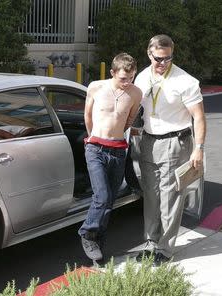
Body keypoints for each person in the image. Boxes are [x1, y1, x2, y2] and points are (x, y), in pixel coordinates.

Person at [134, 34, 206, 266]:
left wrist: (199, 149)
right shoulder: (142, 77)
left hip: (176, 142)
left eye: (168, 58)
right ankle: (150, 243)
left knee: (171, 198)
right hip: (148, 141)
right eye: (158, 59)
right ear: (149, 53)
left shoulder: (185, 81)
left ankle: (164, 249)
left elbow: (199, 118)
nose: (163, 63)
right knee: (151, 197)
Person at [79, 53, 142, 261]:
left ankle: (99, 243)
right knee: (102, 196)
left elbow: (128, 121)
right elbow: (87, 116)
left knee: (110, 201)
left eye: (131, 78)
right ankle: (87, 232)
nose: (127, 82)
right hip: (95, 148)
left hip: (118, 150)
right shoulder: (96, 87)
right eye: (123, 78)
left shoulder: (135, 93)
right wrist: (93, 138)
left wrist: (116, 137)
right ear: (113, 72)